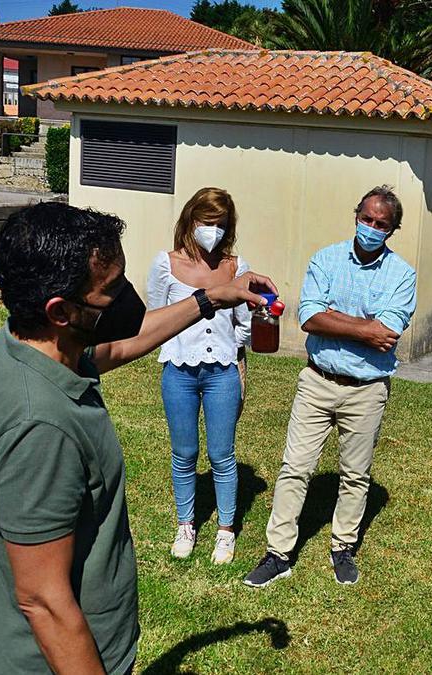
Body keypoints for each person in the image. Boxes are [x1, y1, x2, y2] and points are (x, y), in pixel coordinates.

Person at [0, 202, 274, 674]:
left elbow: (123, 343)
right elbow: (44, 602)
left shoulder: (20, 346)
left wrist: (210, 298)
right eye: (111, 291)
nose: (128, 297)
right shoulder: (39, 427)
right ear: (61, 311)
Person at [243, 185, 416, 588]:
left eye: (381, 224)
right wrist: (364, 327)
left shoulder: (402, 274)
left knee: (355, 475)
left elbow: (387, 333)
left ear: (393, 230)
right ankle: (278, 553)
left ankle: (343, 547)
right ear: (356, 215)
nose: (372, 228)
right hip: (317, 381)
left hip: (367, 388)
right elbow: (308, 318)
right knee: (294, 468)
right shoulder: (326, 259)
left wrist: (335, 318)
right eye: (367, 219)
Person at [147, 188, 252, 563]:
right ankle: (186, 524)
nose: (214, 231)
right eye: (208, 223)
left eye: (221, 225)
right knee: (184, 452)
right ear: (191, 221)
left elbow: (244, 323)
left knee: (222, 454)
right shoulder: (166, 264)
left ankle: (226, 530)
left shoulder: (236, 267)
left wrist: (233, 349)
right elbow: (155, 318)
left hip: (222, 371)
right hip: (179, 370)